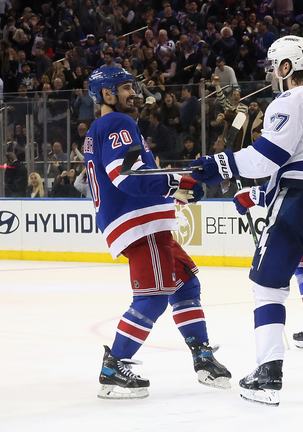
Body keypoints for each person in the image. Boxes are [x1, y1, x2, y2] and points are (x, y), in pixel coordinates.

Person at [189, 35, 303, 406]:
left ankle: (268, 374)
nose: (271, 74)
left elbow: (267, 159)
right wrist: (254, 192)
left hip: (301, 204)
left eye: (274, 66)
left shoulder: (289, 98)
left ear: (286, 68)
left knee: (268, 286)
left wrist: (219, 165)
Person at [83, 67, 231, 400]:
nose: (133, 93)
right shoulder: (118, 123)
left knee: (186, 284)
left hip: (143, 222)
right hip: (139, 222)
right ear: (107, 95)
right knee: (152, 297)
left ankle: (203, 357)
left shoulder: (100, 128)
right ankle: (114, 366)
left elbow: (135, 172)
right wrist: (179, 184)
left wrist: (175, 179)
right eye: (125, 88)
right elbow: (125, 177)